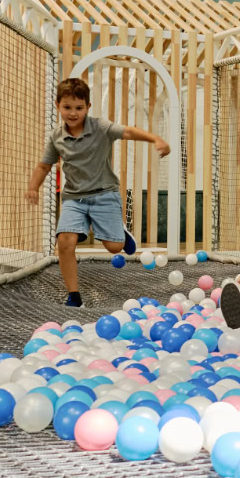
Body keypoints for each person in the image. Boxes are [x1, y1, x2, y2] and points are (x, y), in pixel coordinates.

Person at [25, 77, 169, 307]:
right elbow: (44, 166)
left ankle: (120, 233)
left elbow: (128, 132)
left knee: (114, 248)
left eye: (79, 108)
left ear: (88, 107)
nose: (73, 113)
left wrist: (156, 139)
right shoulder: (56, 137)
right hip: (74, 199)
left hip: (104, 195)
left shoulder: (101, 127)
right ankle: (74, 296)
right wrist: (33, 187)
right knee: (64, 242)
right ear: (58, 105)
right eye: (67, 107)